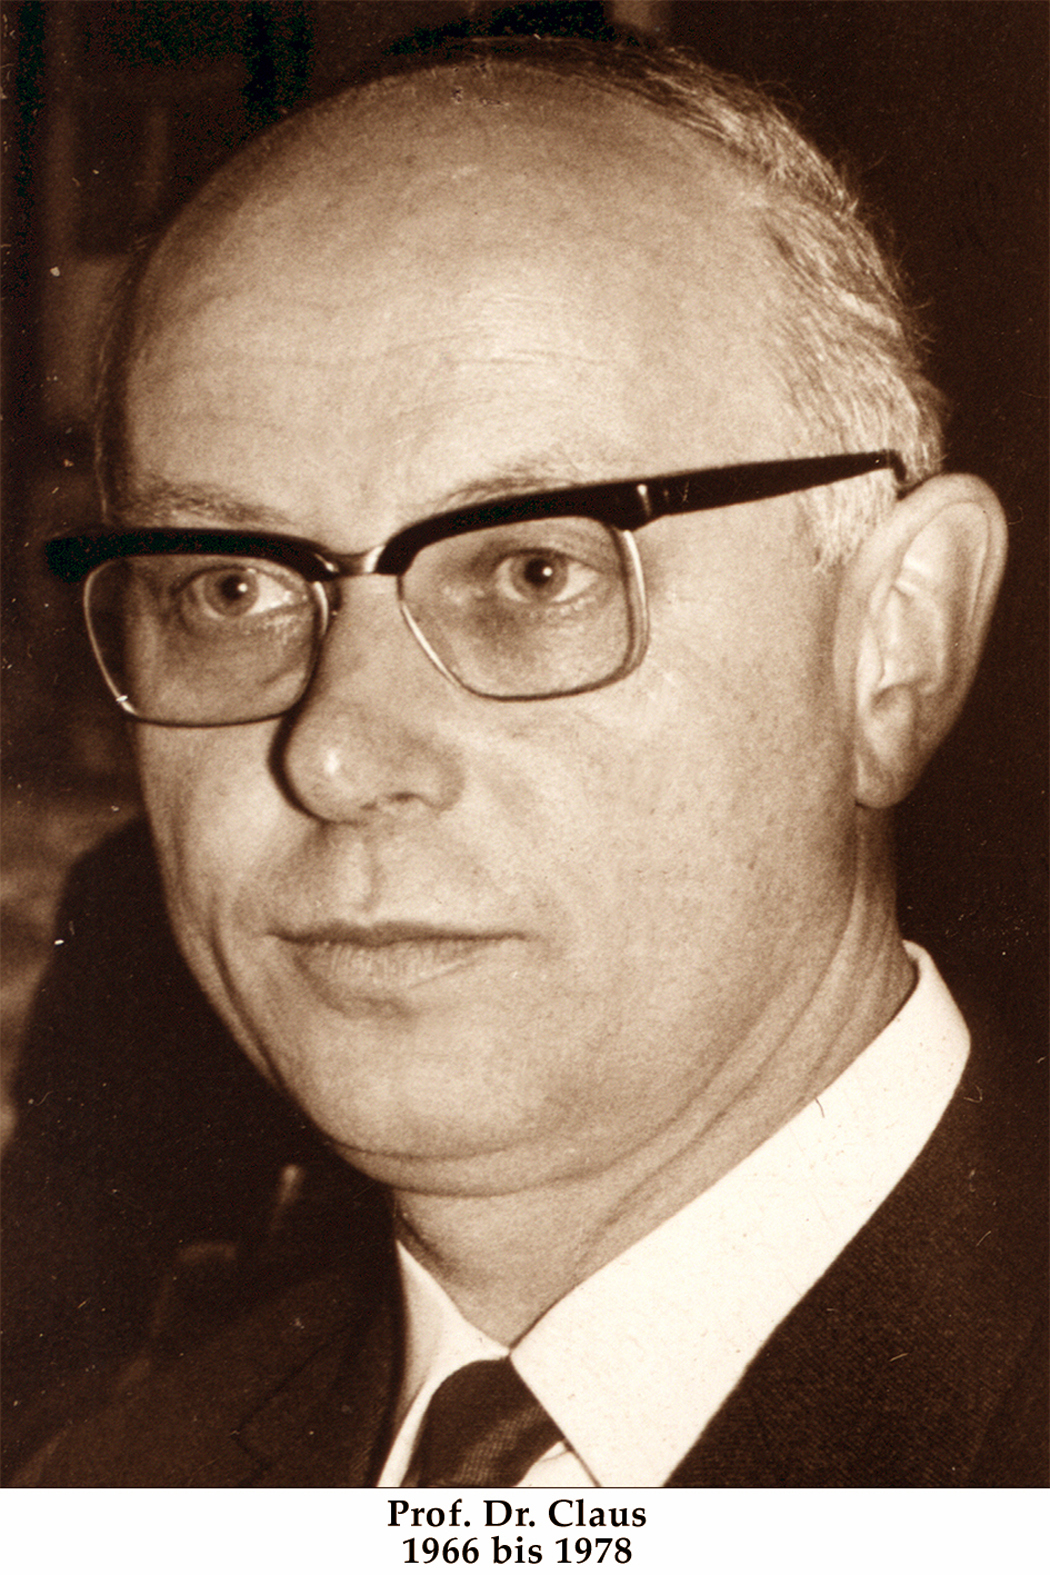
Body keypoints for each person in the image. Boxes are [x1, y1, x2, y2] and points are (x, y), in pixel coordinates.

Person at [13, 33, 1047, 1487]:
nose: (335, 753)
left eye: (531, 572)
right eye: (229, 588)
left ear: (898, 641)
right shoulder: (108, 1489)